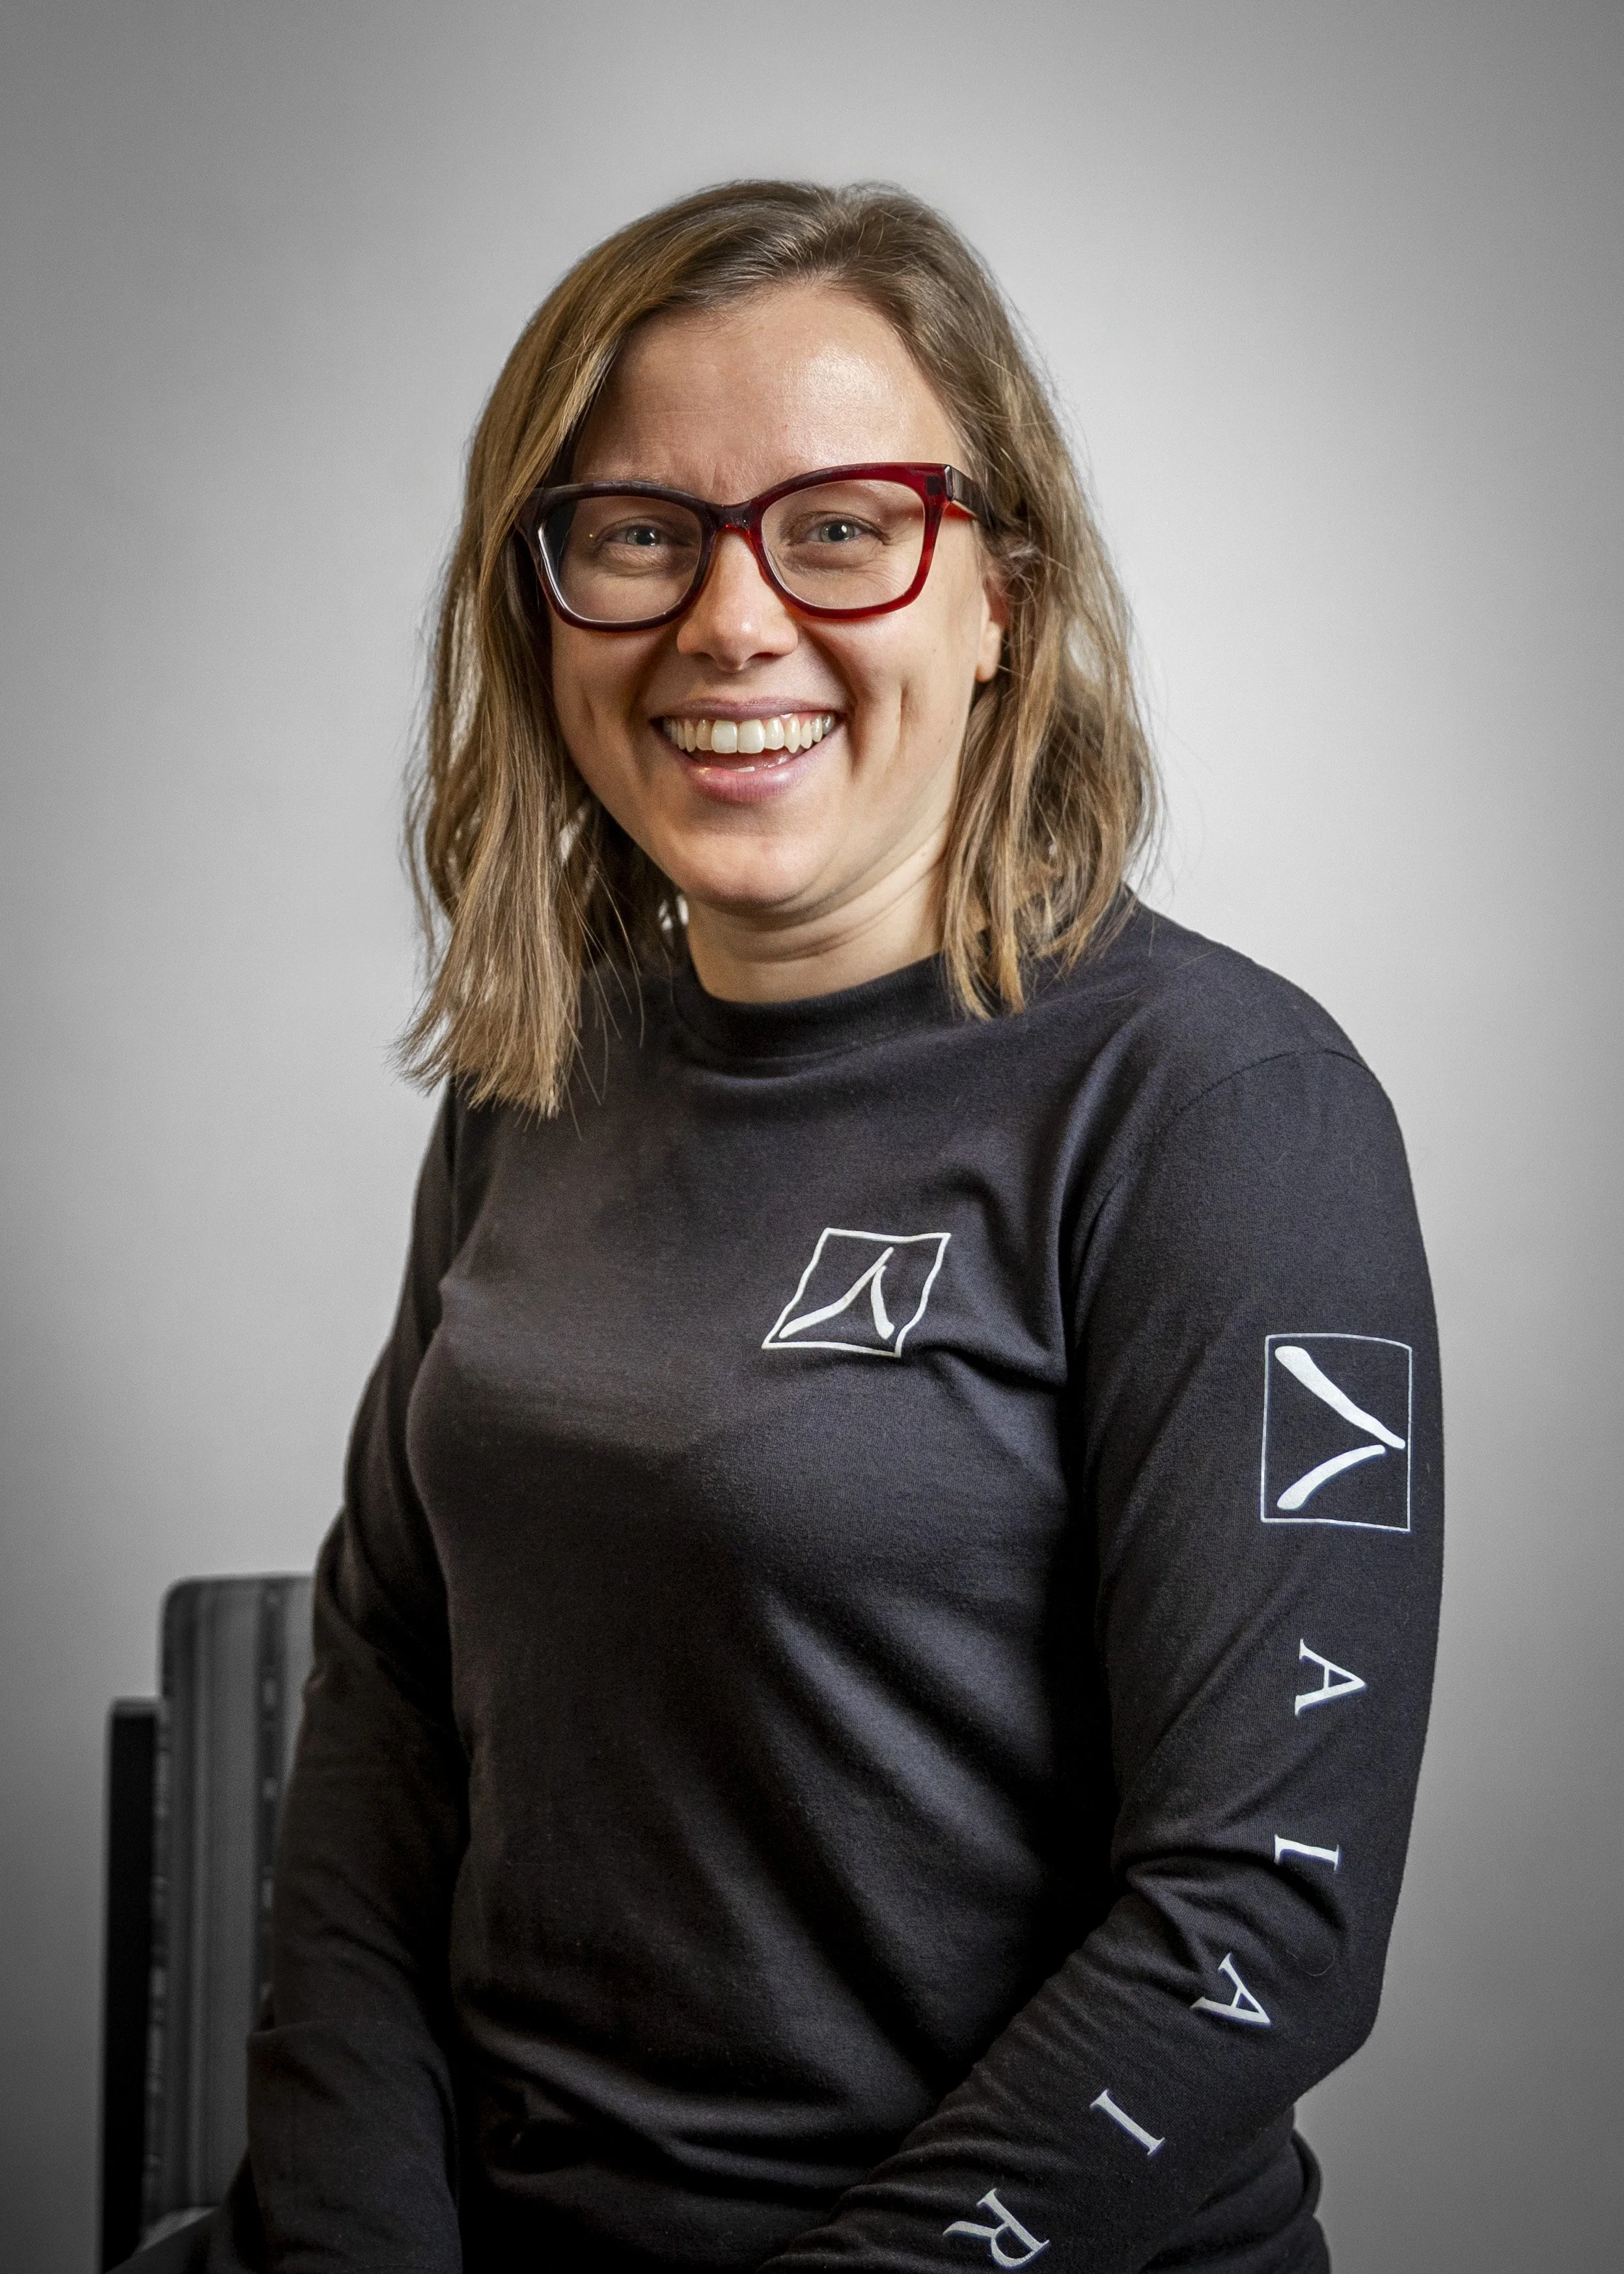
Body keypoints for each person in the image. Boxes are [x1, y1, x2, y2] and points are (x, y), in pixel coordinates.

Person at [119, 179, 1441, 2274]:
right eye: (640, 531)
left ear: (997, 587)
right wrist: (352, 2236)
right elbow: (385, 1677)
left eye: (839, 526)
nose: (730, 621)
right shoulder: (530, 1074)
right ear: (544, 600)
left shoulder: (1220, 1111)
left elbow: (1258, 1918)